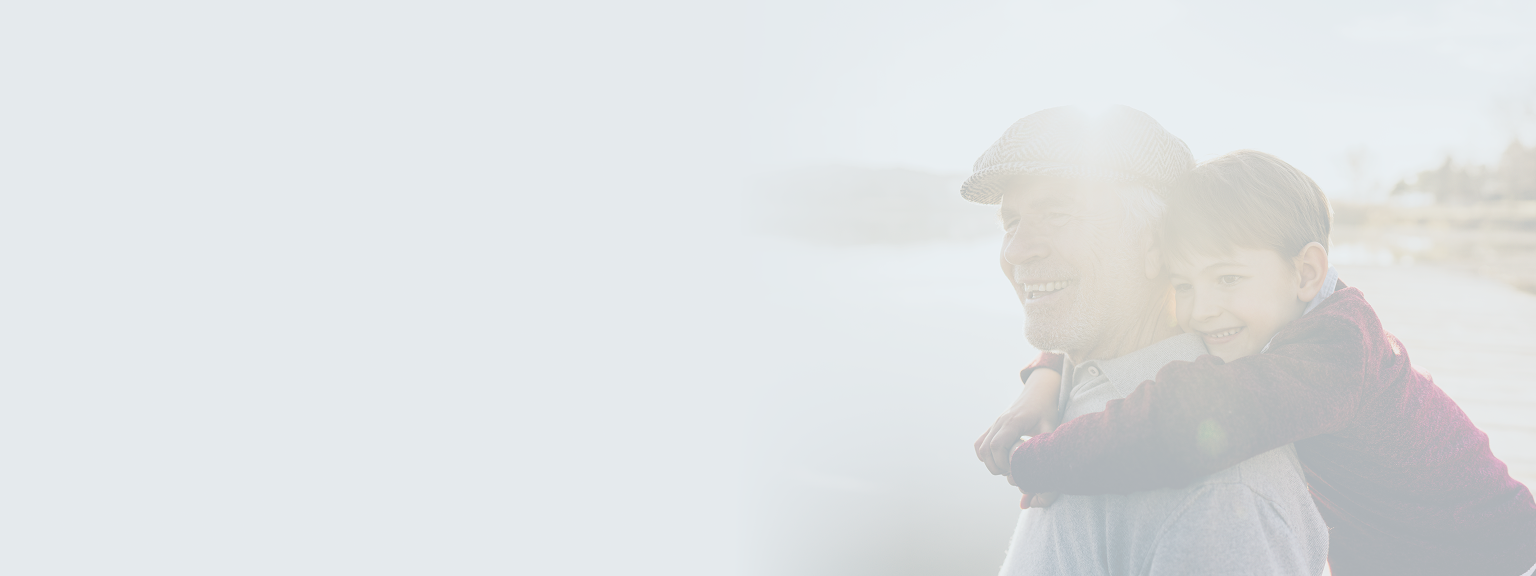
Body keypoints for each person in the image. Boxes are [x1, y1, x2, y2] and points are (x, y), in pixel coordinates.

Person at [981, 150, 1536, 575]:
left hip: (1471, 551)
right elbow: (1112, 298)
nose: (1199, 310)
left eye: (1224, 278)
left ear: (1306, 272)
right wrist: (1048, 373)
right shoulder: (1260, 300)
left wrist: (1042, 462)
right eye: (1183, 285)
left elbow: (1176, 422)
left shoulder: (1335, 353)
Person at [962, 106, 1328, 576]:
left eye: (1057, 213)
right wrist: (1046, 374)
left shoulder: (1216, 491)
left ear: (1156, 244)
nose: (1015, 250)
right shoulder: (1079, 375)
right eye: (1010, 222)